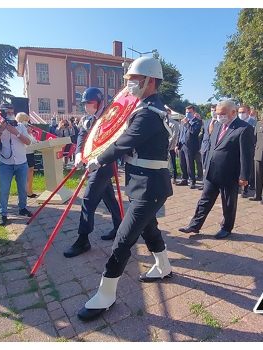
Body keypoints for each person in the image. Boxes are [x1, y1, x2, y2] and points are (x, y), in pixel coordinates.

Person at [78, 56, 173, 321]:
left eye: (133, 81)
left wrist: (96, 158)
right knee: (150, 229)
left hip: (150, 187)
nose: (129, 86)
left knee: (123, 239)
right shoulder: (145, 108)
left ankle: (106, 294)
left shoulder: (149, 113)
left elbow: (123, 143)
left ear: (150, 81)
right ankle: (163, 266)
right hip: (144, 184)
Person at [178, 99, 254, 239]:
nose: (219, 116)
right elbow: (212, 148)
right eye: (218, 113)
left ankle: (226, 228)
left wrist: (244, 176)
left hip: (229, 173)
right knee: (204, 200)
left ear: (232, 112)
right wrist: (206, 166)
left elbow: (246, 155)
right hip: (211, 171)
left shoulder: (244, 129)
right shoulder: (218, 125)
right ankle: (194, 225)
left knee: (228, 203)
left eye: (222, 114)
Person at [63, 87, 122, 258]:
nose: (87, 106)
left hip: (104, 164)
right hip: (92, 163)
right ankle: (119, 226)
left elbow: (114, 142)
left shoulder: (110, 118)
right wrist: (79, 153)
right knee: (109, 197)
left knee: (87, 200)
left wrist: (100, 160)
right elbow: (82, 135)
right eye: (85, 103)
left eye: (91, 102)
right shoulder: (88, 119)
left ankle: (83, 239)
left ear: (100, 102)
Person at [0, 103, 34, 226]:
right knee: (3, 190)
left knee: (23, 188)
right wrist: (0, 131)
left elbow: (28, 142)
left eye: (12, 112)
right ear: (2, 113)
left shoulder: (20, 126)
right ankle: (3, 214)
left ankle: (22, 208)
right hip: (5, 164)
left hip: (21, 162)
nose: (10, 115)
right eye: (7, 112)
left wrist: (15, 132)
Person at [175, 105, 203, 189]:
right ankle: (184, 179)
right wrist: (177, 144)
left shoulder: (197, 121)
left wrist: (187, 123)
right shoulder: (183, 121)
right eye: (186, 112)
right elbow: (179, 133)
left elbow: (194, 131)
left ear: (194, 112)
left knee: (189, 164)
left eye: (189, 112)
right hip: (181, 144)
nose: (187, 114)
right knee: (182, 163)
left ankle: (192, 180)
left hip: (190, 145)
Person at [16, 112, 39, 199]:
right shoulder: (19, 128)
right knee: (25, 172)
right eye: (25, 120)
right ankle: (25, 191)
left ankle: (30, 190)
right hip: (24, 152)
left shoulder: (28, 129)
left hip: (31, 152)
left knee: (31, 170)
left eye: (27, 120)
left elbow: (33, 141)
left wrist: (29, 133)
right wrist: (26, 132)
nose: (27, 122)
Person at [238, 105, 257, 197]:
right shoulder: (237, 123)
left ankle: (245, 190)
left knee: (246, 168)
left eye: (243, 112)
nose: (241, 114)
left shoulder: (255, 123)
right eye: (240, 112)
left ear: (249, 112)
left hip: (249, 149)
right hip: (237, 150)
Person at [167, 108, 180, 182]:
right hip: (164, 145)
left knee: (172, 161)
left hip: (172, 145)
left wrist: (168, 141)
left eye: (168, 113)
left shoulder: (175, 123)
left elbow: (175, 135)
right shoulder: (164, 122)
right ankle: (167, 175)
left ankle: (174, 177)